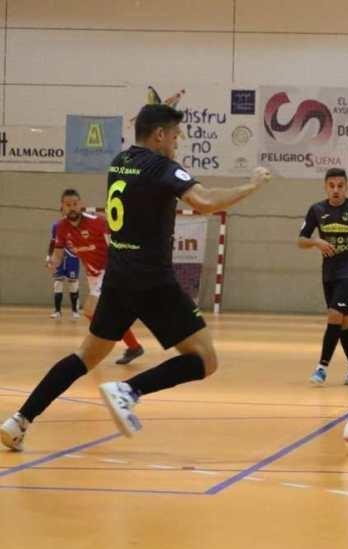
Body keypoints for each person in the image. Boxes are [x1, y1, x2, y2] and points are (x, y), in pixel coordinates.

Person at [1, 104, 272, 451]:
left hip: (118, 277)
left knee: (85, 355)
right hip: (152, 280)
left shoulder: (120, 162)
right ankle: (128, 390)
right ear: (159, 135)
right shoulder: (162, 167)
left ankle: (19, 420)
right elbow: (204, 201)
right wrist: (252, 185)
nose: (177, 144)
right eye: (175, 136)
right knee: (205, 360)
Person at [298, 168, 348, 386]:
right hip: (330, 272)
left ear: (346, 187)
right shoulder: (316, 210)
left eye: (340, 186)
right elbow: (301, 240)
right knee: (343, 321)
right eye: (331, 186)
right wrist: (317, 242)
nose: (336, 190)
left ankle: (322, 368)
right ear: (325, 187)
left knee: (334, 314)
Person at [48, 188, 145, 365]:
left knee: (90, 310)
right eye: (68, 205)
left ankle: (95, 348)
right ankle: (133, 346)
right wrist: (52, 263)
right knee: (108, 315)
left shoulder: (98, 222)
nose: (72, 208)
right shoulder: (61, 227)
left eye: (75, 204)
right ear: (61, 207)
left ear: (81, 205)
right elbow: (58, 254)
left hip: (109, 270)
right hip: (93, 275)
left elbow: (116, 246)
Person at [48, 220, 80, 319]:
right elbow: (53, 241)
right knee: (58, 283)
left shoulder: (77, 226)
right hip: (59, 257)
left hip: (73, 258)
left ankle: (75, 311)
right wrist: (49, 256)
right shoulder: (56, 225)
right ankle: (57, 312)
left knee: (73, 284)